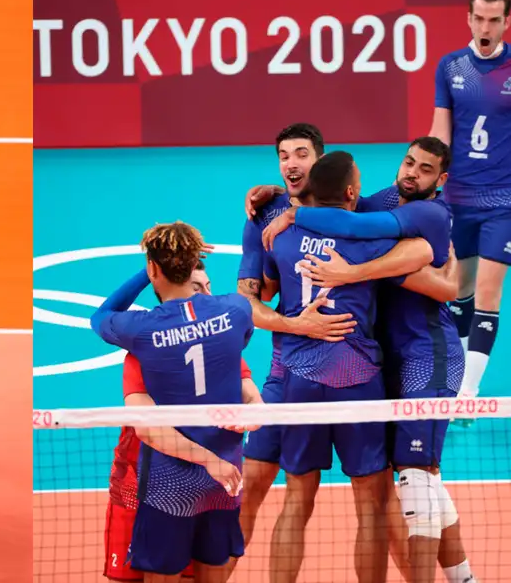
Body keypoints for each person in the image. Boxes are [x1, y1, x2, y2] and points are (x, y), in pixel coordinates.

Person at [268, 138, 478, 583]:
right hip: (369, 368)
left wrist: (292, 214)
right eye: (408, 162)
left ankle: (459, 577)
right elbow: (339, 207)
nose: (411, 173)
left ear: (441, 180)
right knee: (398, 488)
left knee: (416, 472)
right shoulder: (373, 207)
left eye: (425, 169)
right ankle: (463, 578)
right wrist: (274, 195)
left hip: (422, 354)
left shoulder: (429, 213)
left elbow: (445, 287)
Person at [91, 221, 256, 582]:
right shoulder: (235, 310)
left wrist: (148, 270)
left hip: (169, 485)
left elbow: (100, 316)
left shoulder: (142, 330)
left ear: (154, 269)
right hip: (226, 479)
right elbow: (237, 349)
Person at [233, 123, 361, 577]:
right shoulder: (263, 218)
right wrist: (294, 323)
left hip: (356, 376)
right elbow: (249, 302)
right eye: (284, 156)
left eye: (302, 154)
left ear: (321, 160)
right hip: (288, 375)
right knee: (254, 487)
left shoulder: (356, 208)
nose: (291, 164)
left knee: (378, 500)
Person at [429, 0, 511, 405]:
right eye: (479, 19)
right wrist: (428, 180)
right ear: (468, 19)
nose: (484, 29)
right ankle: (461, 374)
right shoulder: (451, 66)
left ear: (506, 22)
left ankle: (468, 393)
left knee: (488, 292)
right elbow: (441, 131)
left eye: (493, 20)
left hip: (504, 202)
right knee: (458, 291)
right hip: (459, 197)